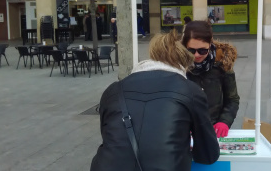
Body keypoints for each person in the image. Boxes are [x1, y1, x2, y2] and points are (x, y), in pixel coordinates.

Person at [90, 30, 220, 171]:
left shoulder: (114, 90)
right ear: (183, 64)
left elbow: (110, 135)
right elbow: (208, 155)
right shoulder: (190, 90)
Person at [181, 20, 240, 138]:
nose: (196, 55)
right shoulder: (177, 66)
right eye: (191, 50)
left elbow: (232, 99)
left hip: (213, 130)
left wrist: (224, 121)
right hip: (184, 132)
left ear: (210, 43)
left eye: (203, 50)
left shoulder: (222, 65)